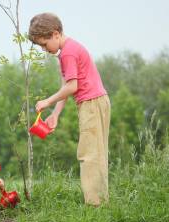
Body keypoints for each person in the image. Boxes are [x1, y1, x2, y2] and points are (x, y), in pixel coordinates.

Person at [28, 13, 111, 207]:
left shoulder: (68, 53)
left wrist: (47, 102)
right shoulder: (66, 52)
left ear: (55, 34)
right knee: (96, 152)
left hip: (91, 104)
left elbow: (72, 87)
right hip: (94, 102)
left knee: (89, 154)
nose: (43, 49)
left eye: (44, 44)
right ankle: (100, 201)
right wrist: (55, 114)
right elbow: (66, 86)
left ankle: (95, 204)